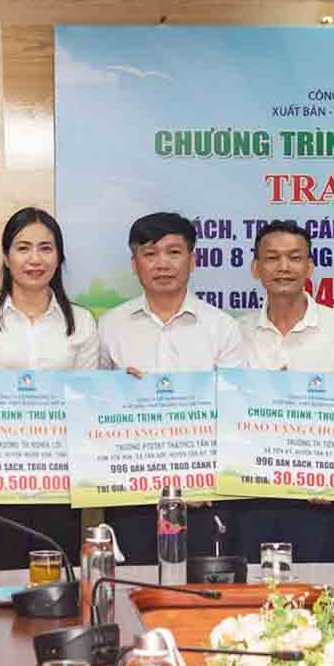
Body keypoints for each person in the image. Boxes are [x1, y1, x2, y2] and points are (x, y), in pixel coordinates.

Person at [0, 207, 99, 571]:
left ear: (59, 257)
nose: (35, 259)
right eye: (23, 248)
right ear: (5, 256)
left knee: (53, 593)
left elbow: (86, 405)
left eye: (46, 248)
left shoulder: (80, 320)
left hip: (57, 483)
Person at [97, 212, 245, 563]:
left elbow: (233, 415)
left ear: (193, 260)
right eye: (149, 254)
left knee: (201, 596)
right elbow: (95, 410)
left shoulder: (222, 328)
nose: (162, 263)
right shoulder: (109, 326)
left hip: (202, 498)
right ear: (134, 264)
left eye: (173, 252)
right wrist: (118, 392)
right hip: (131, 498)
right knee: (131, 593)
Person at [234, 220, 334, 563]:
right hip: (251, 492)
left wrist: (332, 473)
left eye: (294, 257)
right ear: (256, 268)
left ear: (309, 266)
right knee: (256, 590)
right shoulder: (236, 331)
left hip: (318, 493)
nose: (284, 267)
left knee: (318, 590)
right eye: (272, 258)